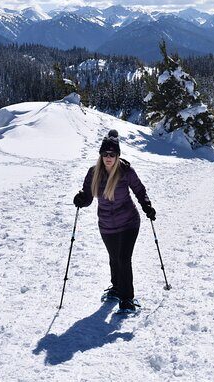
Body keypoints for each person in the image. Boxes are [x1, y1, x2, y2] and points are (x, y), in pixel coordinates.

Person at [73, 129, 156, 313]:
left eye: (112, 154)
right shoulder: (94, 173)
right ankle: (117, 287)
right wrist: (80, 199)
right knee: (114, 259)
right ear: (101, 155)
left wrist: (147, 206)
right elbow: (87, 197)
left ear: (117, 155)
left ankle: (127, 300)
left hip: (128, 222)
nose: (108, 157)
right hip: (106, 225)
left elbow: (139, 190)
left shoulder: (126, 171)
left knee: (124, 258)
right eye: (105, 154)